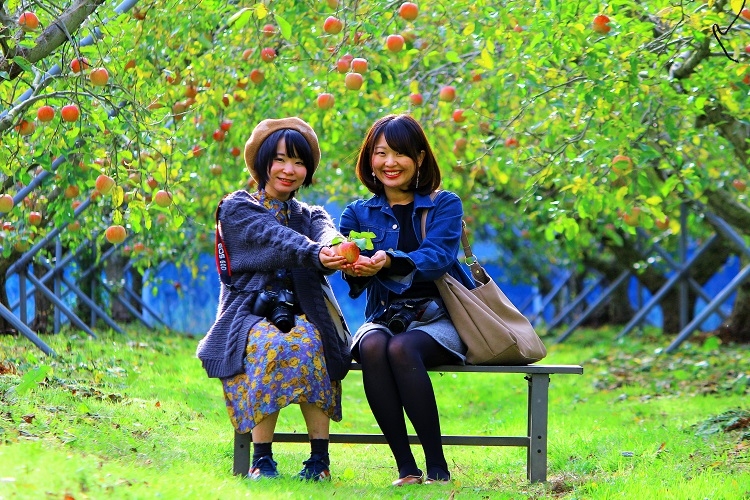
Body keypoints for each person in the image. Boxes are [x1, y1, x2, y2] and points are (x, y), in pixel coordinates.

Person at [197, 117, 352, 482]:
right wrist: (316, 253)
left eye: (299, 162)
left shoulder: (311, 214)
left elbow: (326, 233)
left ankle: (319, 461)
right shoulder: (236, 208)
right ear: (262, 163)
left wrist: (336, 247)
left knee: (312, 341)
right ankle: (261, 459)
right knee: (268, 344)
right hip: (248, 314)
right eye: (280, 159)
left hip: (306, 312)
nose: (289, 169)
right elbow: (277, 239)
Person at [338, 114, 476, 486]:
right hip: (386, 314)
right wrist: (353, 266)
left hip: (441, 317)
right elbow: (349, 269)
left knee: (400, 349)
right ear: (369, 160)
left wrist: (391, 259)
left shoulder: (444, 204)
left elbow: (438, 258)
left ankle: (437, 468)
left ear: (419, 157)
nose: (389, 163)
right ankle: (406, 469)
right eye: (380, 153)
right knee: (372, 346)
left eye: (399, 153)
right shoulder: (357, 213)